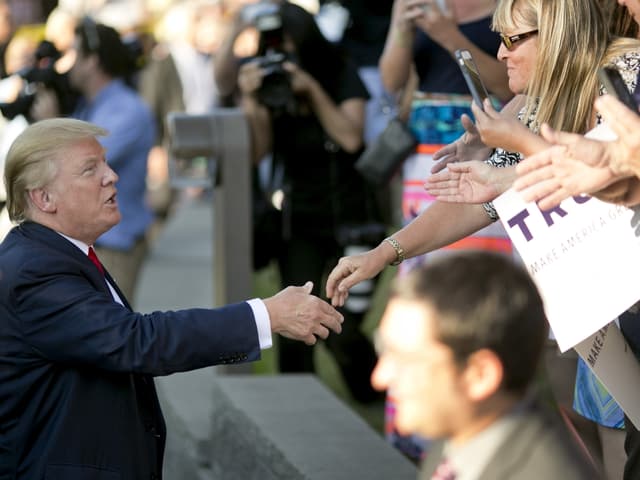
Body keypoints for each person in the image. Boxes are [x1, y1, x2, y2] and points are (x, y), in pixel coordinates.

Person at [328, 0, 640, 476]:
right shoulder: (539, 99)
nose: (500, 53)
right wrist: (385, 253)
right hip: (588, 316)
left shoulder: (626, 73)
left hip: (625, 307)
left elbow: (614, 177)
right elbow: (477, 200)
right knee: (597, 455)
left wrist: (513, 162)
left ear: (557, 32)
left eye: (514, 40)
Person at [0, 117, 344, 479]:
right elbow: (135, 341)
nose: (111, 176)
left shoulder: (51, 254)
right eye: (90, 169)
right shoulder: (35, 271)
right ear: (43, 197)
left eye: (106, 162)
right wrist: (265, 316)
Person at [377, 0, 513, 459]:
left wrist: (447, 35)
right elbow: (391, 82)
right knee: (424, 282)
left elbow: (506, 86)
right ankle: (418, 433)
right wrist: (400, 25)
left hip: (492, 144)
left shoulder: (507, 9)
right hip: (426, 152)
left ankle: (483, 414)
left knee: (478, 289)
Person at [229, 2, 384, 404]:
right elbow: (258, 151)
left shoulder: (339, 72)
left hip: (350, 217)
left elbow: (350, 137)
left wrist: (310, 89)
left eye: (291, 47)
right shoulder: (270, 81)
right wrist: (252, 100)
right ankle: (295, 407)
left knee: (342, 328)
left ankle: (373, 397)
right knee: (294, 323)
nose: (285, 57)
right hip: (298, 220)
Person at [372, 251, 600, 479]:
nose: (379, 377)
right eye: (383, 348)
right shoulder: (462, 433)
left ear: (479, 375)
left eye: (403, 358)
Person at [31, 18, 155, 304]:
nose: (68, 64)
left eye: (75, 54)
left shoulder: (127, 109)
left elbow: (80, 163)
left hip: (115, 249)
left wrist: (49, 125)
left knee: (112, 341)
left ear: (92, 62)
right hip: (94, 246)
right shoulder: (90, 105)